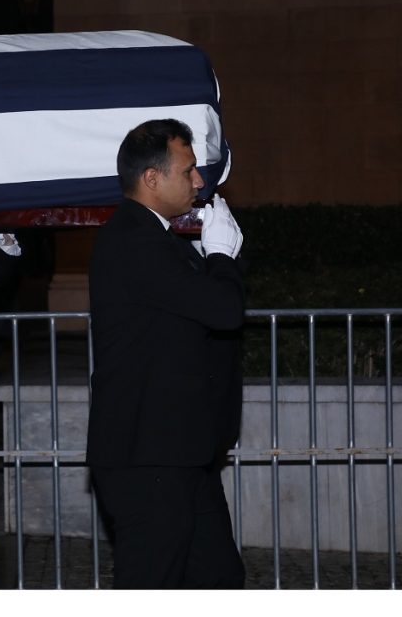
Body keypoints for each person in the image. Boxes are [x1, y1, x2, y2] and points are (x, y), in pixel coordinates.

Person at [85, 118, 246, 589]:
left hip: (179, 451)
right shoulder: (134, 240)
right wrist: (221, 257)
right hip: (148, 458)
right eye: (188, 170)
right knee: (151, 582)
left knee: (219, 579)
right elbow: (222, 309)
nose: (199, 181)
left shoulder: (157, 240)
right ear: (152, 179)